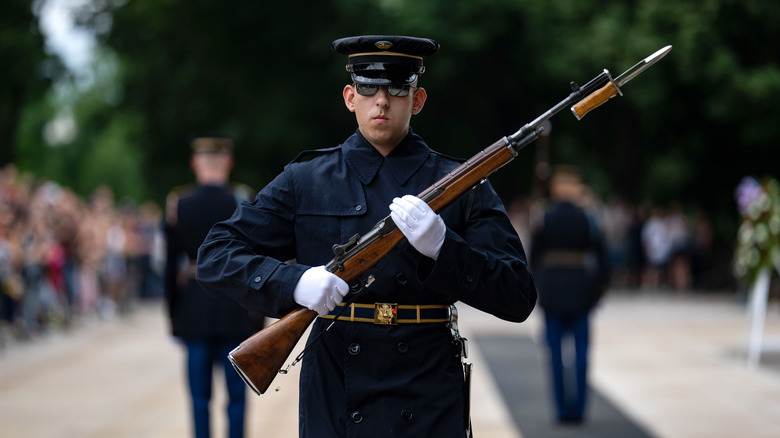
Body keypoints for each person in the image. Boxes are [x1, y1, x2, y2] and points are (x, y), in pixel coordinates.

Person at [196, 35, 537, 437]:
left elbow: (518, 296)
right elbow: (216, 255)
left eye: (396, 88)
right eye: (368, 87)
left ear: (418, 99)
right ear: (349, 96)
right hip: (338, 387)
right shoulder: (306, 180)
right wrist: (296, 282)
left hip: (427, 390)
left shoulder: (460, 184)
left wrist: (446, 249)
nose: (381, 100)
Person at [163, 135, 264, 438]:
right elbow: (258, 261)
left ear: (195, 163)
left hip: (193, 310)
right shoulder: (242, 201)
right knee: (236, 397)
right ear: (228, 163)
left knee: (199, 398)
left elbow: (169, 268)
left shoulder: (178, 204)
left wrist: (174, 316)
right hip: (236, 309)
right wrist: (258, 316)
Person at [529, 166, 610, 425]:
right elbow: (602, 256)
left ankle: (562, 411)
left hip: (552, 289)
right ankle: (579, 410)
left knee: (554, 354)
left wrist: (540, 285)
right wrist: (598, 288)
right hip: (580, 289)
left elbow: (533, 257)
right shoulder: (588, 218)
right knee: (581, 353)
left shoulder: (545, 217)